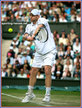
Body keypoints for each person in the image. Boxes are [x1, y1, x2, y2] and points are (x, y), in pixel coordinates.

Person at [22, 9, 57, 103]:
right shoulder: (29, 26)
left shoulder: (43, 20)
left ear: (37, 16)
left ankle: (47, 95)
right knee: (33, 71)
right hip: (39, 52)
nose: (31, 17)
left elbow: (39, 28)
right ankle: (30, 94)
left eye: (32, 15)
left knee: (47, 69)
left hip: (50, 51)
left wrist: (33, 35)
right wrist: (26, 37)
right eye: (30, 15)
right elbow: (25, 35)